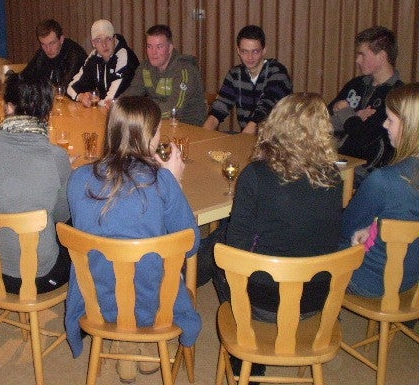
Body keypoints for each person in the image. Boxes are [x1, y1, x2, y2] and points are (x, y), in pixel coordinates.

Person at [205, 93, 343, 380]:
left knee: (218, 249)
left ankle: (246, 353)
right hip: (317, 300)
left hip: (265, 305)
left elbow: (237, 249)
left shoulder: (255, 175)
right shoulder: (333, 177)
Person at [65, 96, 201, 381]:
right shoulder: (162, 182)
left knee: (116, 272)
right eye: (158, 130)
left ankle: (123, 340)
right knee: (154, 274)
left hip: (98, 301)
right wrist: (174, 182)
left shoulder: (78, 179)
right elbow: (191, 246)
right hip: (155, 304)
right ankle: (143, 340)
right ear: (150, 137)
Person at [0, 74, 71, 294]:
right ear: (47, 113)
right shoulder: (56, 157)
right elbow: (63, 217)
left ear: (9, 107)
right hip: (37, 276)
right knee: (81, 244)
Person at [340, 83, 419, 297]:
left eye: (390, 120)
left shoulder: (384, 180)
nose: (384, 125)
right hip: (411, 280)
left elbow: (346, 229)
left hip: (371, 281)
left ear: (410, 127)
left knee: (317, 237)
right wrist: (374, 225)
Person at [329, 26, 403, 179]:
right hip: (335, 162)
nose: (357, 60)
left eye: (362, 55)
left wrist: (346, 113)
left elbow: (364, 140)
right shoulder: (356, 84)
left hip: (366, 173)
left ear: (382, 56)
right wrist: (353, 117)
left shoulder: (397, 95)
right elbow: (322, 120)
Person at [204, 25, 292, 134]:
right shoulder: (235, 74)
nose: (250, 57)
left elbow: (266, 109)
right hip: (247, 136)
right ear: (238, 51)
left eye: (255, 51)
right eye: (244, 51)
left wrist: (243, 139)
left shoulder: (277, 72)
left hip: (276, 139)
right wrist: (203, 135)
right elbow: (220, 107)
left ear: (264, 50)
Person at [122, 24, 207, 126]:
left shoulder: (185, 70)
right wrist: (116, 105)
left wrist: (142, 114)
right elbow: (131, 95)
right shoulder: (145, 67)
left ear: (170, 48)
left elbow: (173, 109)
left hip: (188, 126)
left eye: (159, 47)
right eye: (149, 46)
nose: (153, 52)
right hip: (158, 123)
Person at [67, 19, 139, 107]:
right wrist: (81, 97)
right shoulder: (94, 56)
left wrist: (95, 101)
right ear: (93, 43)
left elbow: (112, 99)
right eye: (98, 40)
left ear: (114, 39)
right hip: (106, 110)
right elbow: (71, 88)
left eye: (108, 39)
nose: (104, 45)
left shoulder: (124, 55)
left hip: (131, 110)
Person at [22, 18, 87, 87]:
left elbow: (63, 88)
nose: (48, 49)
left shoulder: (75, 54)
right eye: (43, 44)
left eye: (52, 43)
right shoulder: (41, 53)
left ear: (61, 39)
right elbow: (25, 76)